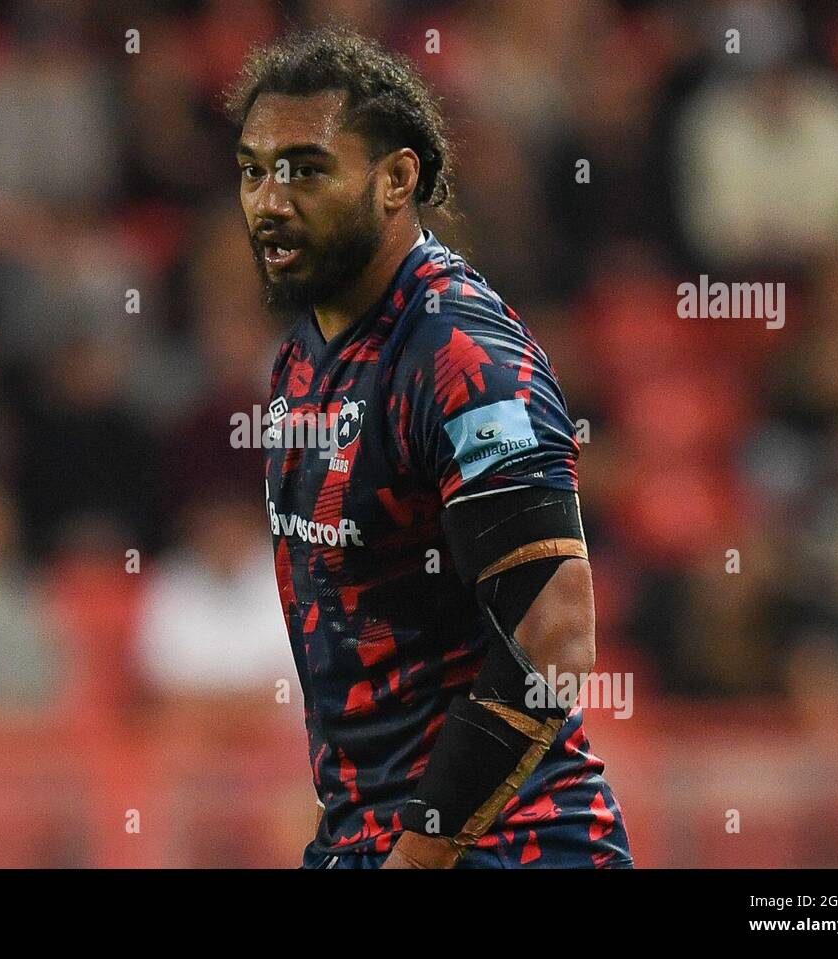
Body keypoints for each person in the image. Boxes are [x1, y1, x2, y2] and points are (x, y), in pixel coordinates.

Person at [225, 26, 632, 868]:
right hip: (368, 842)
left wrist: (418, 855)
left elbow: (556, 633)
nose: (270, 199)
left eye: (306, 168)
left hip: (512, 848)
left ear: (398, 179)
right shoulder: (305, 353)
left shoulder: (461, 356)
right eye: (254, 170)